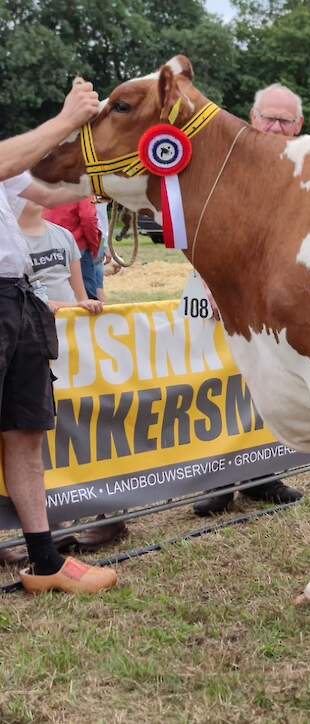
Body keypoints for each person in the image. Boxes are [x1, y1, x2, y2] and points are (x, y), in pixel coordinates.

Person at [0, 77, 117, 592]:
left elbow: (49, 190)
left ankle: (44, 563)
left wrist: (113, 164)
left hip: (16, 298)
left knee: (24, 433)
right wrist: (67, 120)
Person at [193, 83, 306, 516]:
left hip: (285, 301)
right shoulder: (223, 166)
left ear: (299, 126)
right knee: (224, 385)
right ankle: (218, 480)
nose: (275, 127)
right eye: (268, 118)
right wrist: (211, 281)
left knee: (275, 384)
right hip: (226, 295)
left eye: (285, 120)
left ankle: (263, 474)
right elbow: (199, 228)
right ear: (251, 118)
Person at [43, 196, 104, 302]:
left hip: (49, 247)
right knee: (87, 299)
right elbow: (88, 217)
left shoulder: (45, 185)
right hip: (78, 248)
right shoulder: (81, 187)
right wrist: (94, 245)